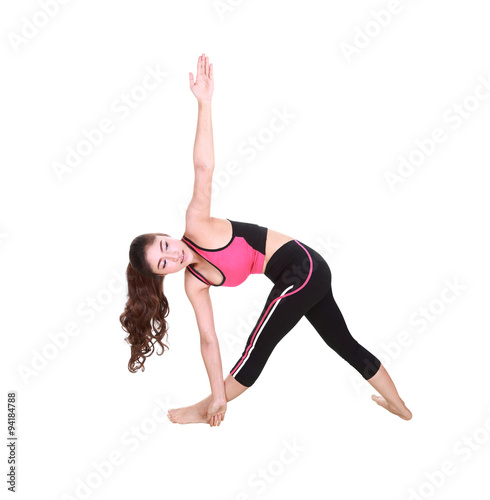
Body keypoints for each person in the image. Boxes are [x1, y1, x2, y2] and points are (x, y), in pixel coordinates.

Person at [119, 53, 412, 427]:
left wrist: (204, 104)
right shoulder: (195, 284)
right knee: (342, 342)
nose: (172, 253)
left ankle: (207, 404)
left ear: (165, 235)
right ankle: (400, 406)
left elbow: (203, 168)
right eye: (164, 262)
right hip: (301, 277)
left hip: (302, 268)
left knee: (258, 347)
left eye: (164, 244)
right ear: (165, 274)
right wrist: (217, 387)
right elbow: (208, 340)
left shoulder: (197, 225)